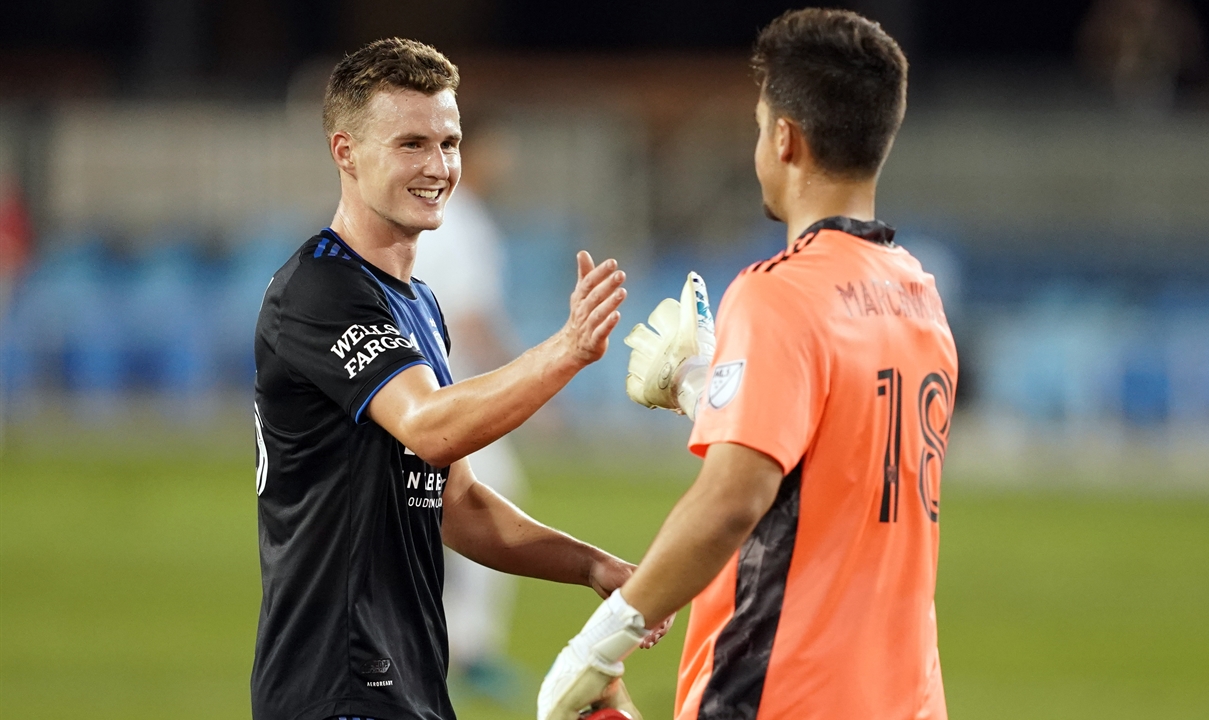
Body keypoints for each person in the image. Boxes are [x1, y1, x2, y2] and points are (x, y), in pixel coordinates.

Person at [539, 9, 958, 720]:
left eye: (761, 125)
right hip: (903, 696)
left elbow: (734, 497)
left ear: (786, 139)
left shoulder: (778, 292)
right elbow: (832, 460)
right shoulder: (919, 297)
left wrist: (601, 640)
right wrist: (708, 386)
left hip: (785, 688)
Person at [251, 38, 663, 720]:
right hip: (335, 685)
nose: (438, 166)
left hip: (408, 682)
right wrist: (564, 351)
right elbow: (426, 427)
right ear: (345, 151)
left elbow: (457, 502)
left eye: (449, 143)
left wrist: (593, 566)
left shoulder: (417, 304)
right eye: (411, 143)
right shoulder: (318, 290)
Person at [411, 125, 527, 697]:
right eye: (499, 151)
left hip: (419, 389)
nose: (505, 164)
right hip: (455, 390)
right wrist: (530, 377)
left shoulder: (436, 215)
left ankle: (442, 645)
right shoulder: (462, 222)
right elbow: (472, 317)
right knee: (489, 504)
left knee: (428, 513)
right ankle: (470, 648)